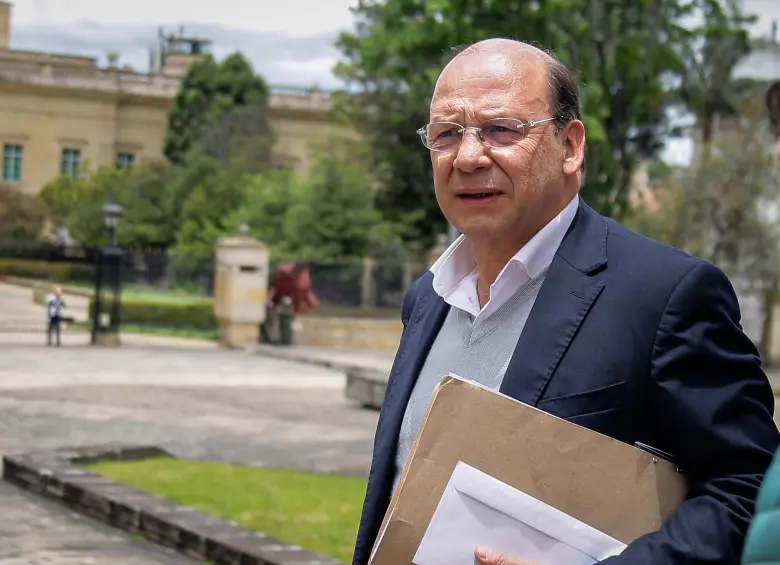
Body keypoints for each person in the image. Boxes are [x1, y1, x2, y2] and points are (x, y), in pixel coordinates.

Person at [352, 38, 780, 565]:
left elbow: (746, 491)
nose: (468, 156)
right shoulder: (427, 297)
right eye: (447, 133)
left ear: (571, 146)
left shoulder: (667, 294)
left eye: (502, 129)